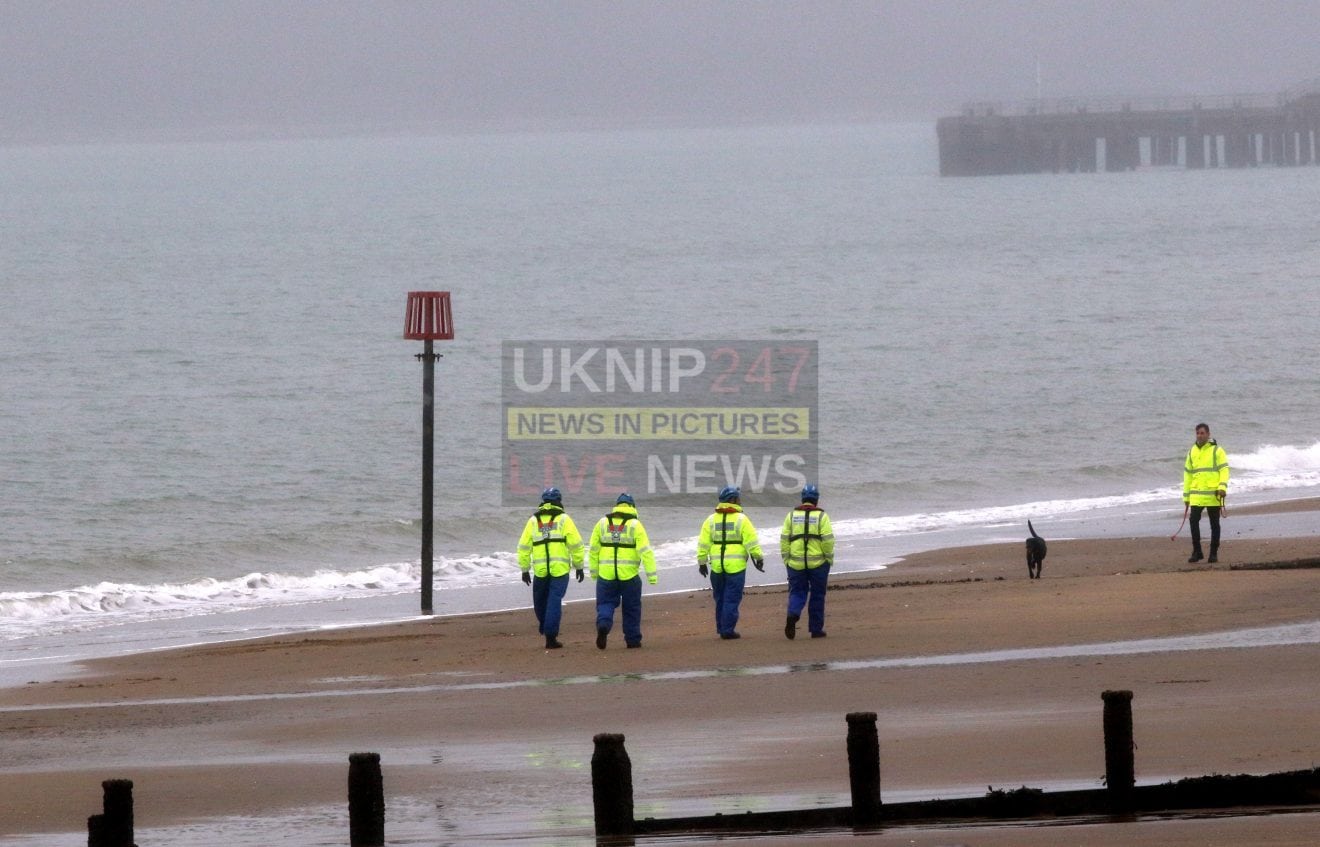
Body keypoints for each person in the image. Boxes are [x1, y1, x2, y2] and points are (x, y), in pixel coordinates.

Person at [587, 492, 658, 649]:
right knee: (632, 608)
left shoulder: (602, 523)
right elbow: (645, 551)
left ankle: (604, 624)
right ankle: (632, 640)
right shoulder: (635, 525)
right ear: (632, 507)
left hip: (606, 574)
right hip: (629, 575)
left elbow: (593, 550)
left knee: (605, 604)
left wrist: (593, 572)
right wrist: (651, 575)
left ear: (616, 506)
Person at [516, 487, 584, 649]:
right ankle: (550, 634)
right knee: (554, 601)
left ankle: (548, 630)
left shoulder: (533, 521)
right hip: (559, 570)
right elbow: (576, 545)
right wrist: (579, 566)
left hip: (540, 570)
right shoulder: (564, 519)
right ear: (559, 501)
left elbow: (523, 547)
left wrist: (525, 569)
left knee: (540, 602)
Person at [696, 485, 764, 640]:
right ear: (733, 499)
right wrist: (758, 558)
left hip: (717, 566)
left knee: (719, 598)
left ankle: (721, 628)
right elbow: (751, 542)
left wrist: (702, 562)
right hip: (736, 567)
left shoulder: (711, 520)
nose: (740, 500)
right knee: (731, 598)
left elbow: (703, 544)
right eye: (738, 497)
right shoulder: (742, 519)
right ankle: (727, 630)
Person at [780, 483, 835, 639]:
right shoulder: (822, 517)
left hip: (795, 564)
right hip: (818, 564)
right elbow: (828, 540)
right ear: (816, 500)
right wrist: (829, 558)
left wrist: (786, 559)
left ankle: (793, 614)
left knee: (797, 592)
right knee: (817, 595)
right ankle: (816, 630)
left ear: (803, 498)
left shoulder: (791, 516)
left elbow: (784, 540)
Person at [1183, 423, 1229, 563]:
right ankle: (1197, 552)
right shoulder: (1192, 452)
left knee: (1214, 524)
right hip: (1196, 495)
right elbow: (1187, 475)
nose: (1200, 435)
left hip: (1213, 494)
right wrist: (1186, 496)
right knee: (1193, 521)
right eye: (1197, 433)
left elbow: (1224, 470)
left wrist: (1222, 487)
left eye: (1202, 433)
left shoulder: (1217, 450)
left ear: (1208, 434)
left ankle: (1213, 553)